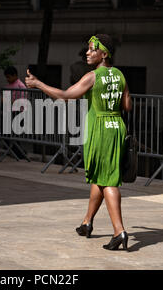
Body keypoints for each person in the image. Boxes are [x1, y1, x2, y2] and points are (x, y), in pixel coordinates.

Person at [25, 34, 132, 251]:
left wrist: (38, 84)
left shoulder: (92, 77)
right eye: (88, 49)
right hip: (117, 128)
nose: (87, 52)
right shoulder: (120, 75)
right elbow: (127, 106)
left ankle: (119, 231)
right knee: (99, 176)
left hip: (100, 130)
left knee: (108, 181)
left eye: (93, 49)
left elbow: (65, 96)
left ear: (105, 54)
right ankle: (87, 223)